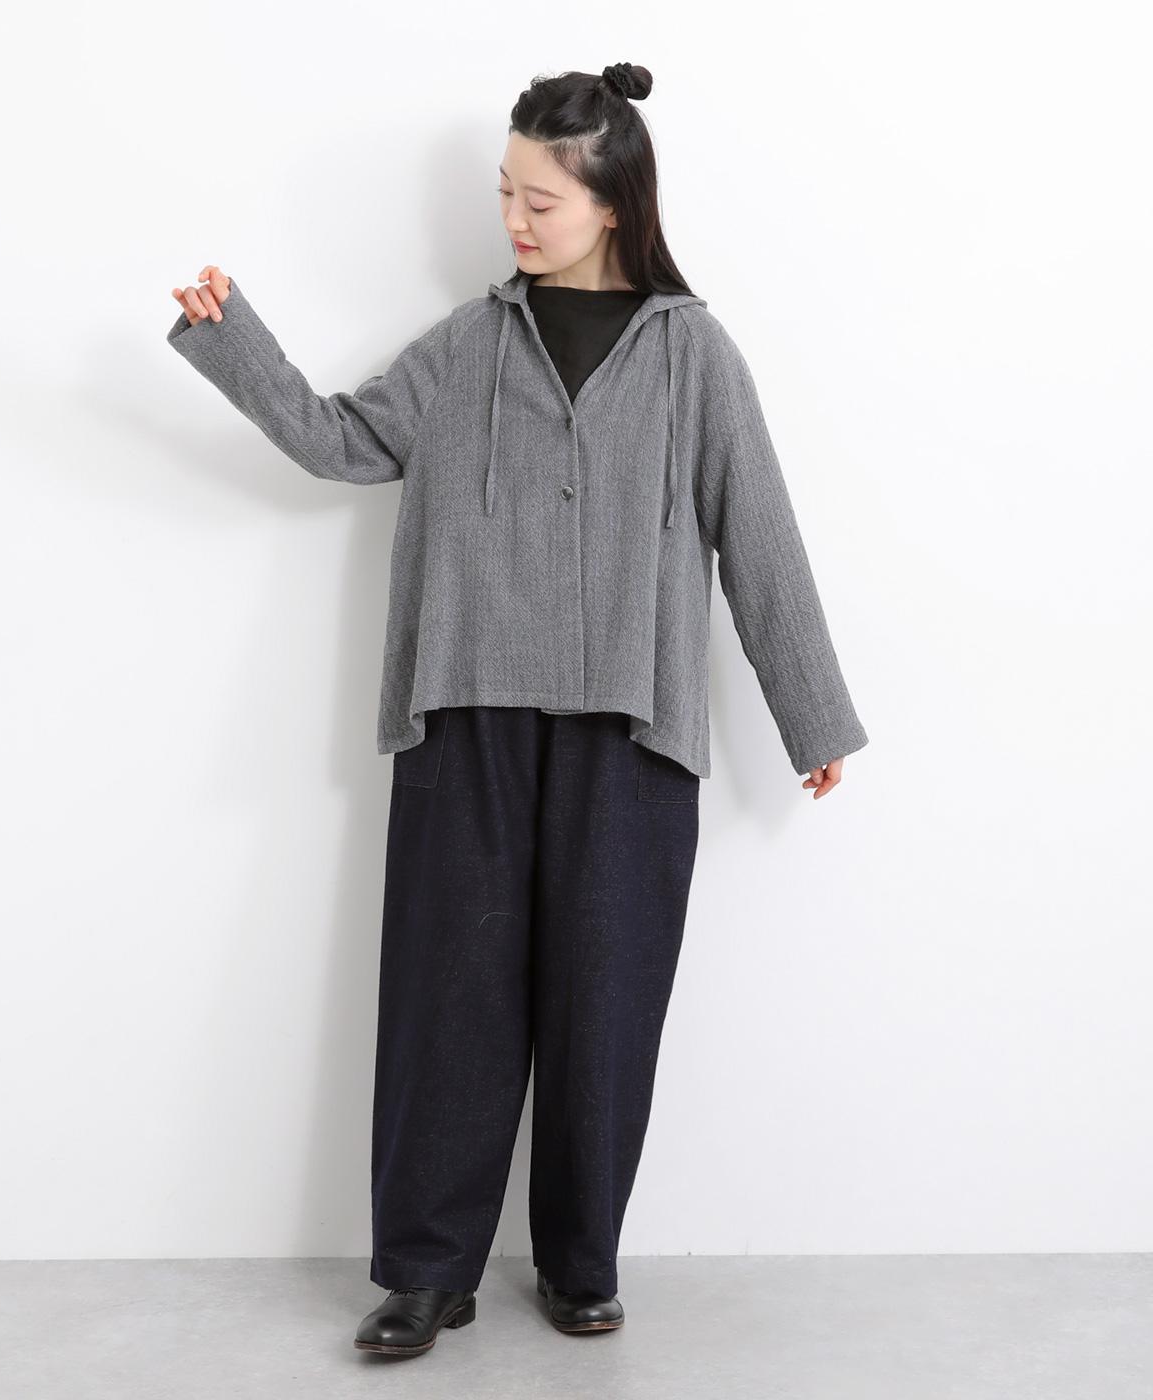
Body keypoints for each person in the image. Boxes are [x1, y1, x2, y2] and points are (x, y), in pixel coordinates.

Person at [166, 60, 869, 1358]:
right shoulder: (467, 345)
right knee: (449, 1000)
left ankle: (580, 1262)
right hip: (467, 713)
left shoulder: (696, 356)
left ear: (611, 200)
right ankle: (426, 1273)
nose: (515, 220)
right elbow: (344, 442)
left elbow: (759, 536)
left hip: (631, 726)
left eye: (540, 198)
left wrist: (812, 720)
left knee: (607, 1003)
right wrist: (233, 342)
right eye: (505, 193)